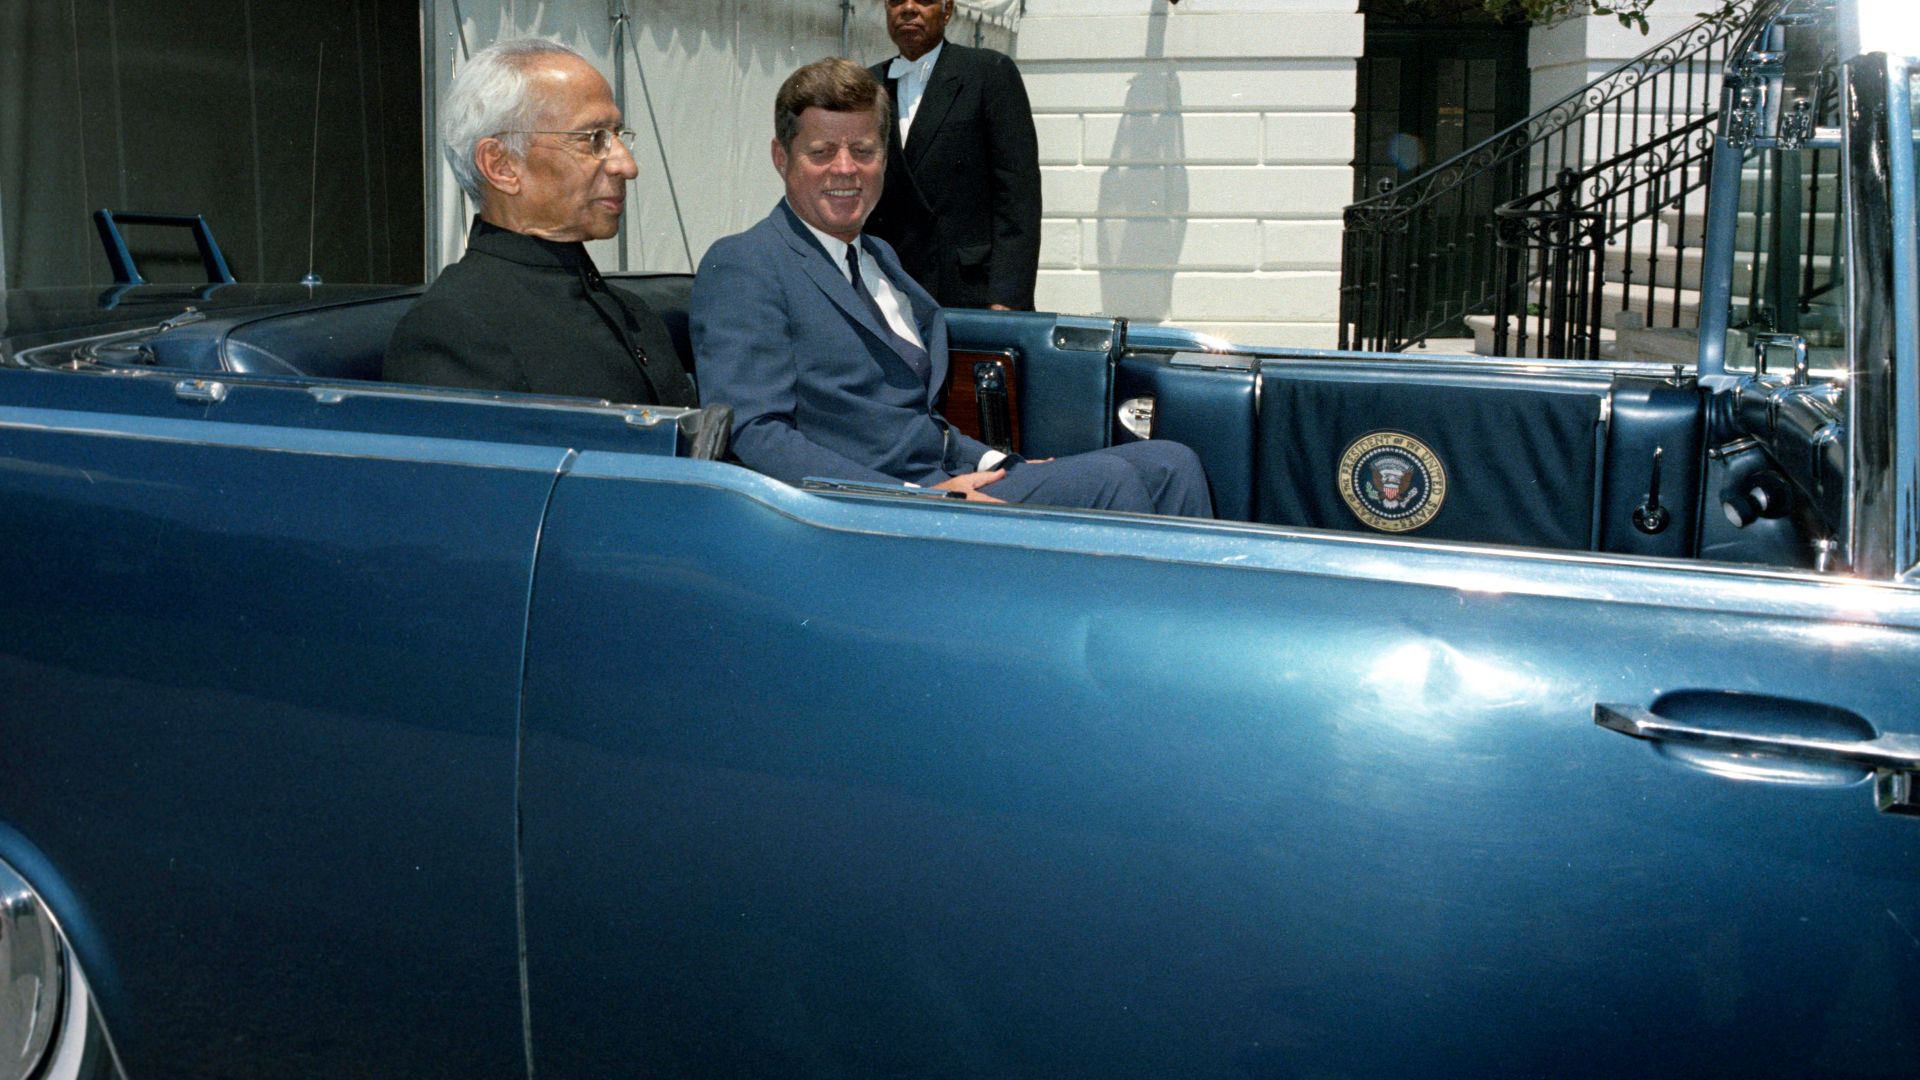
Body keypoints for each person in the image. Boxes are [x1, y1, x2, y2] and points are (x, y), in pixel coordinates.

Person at [690, 59, 1210, 516]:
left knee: (1173, 462)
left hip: (943, 484)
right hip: (879, 509)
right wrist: (918, 499)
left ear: (885, 157)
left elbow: (915, 421)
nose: (845, 169)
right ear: (782, 158)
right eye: (822, 151)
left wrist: (1001, 462)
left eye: (863, 150)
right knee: (1115, 482)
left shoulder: (880, 259)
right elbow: (755, 432)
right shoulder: (746, 264)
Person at [383, 39, 694, 406]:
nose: (626, 165)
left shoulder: (631, 311)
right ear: (501, 166)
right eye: (593, 138)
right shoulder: (455, 329)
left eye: (616, 136)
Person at [865, 0, 1040, 311]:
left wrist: (1007, 297)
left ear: (948, 11)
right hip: (888, 286)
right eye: (895, 1)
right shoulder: (867, 84)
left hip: (969, 288)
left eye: (924, 0)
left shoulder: (987, 72)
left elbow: (1017, 197)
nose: (908, 8)